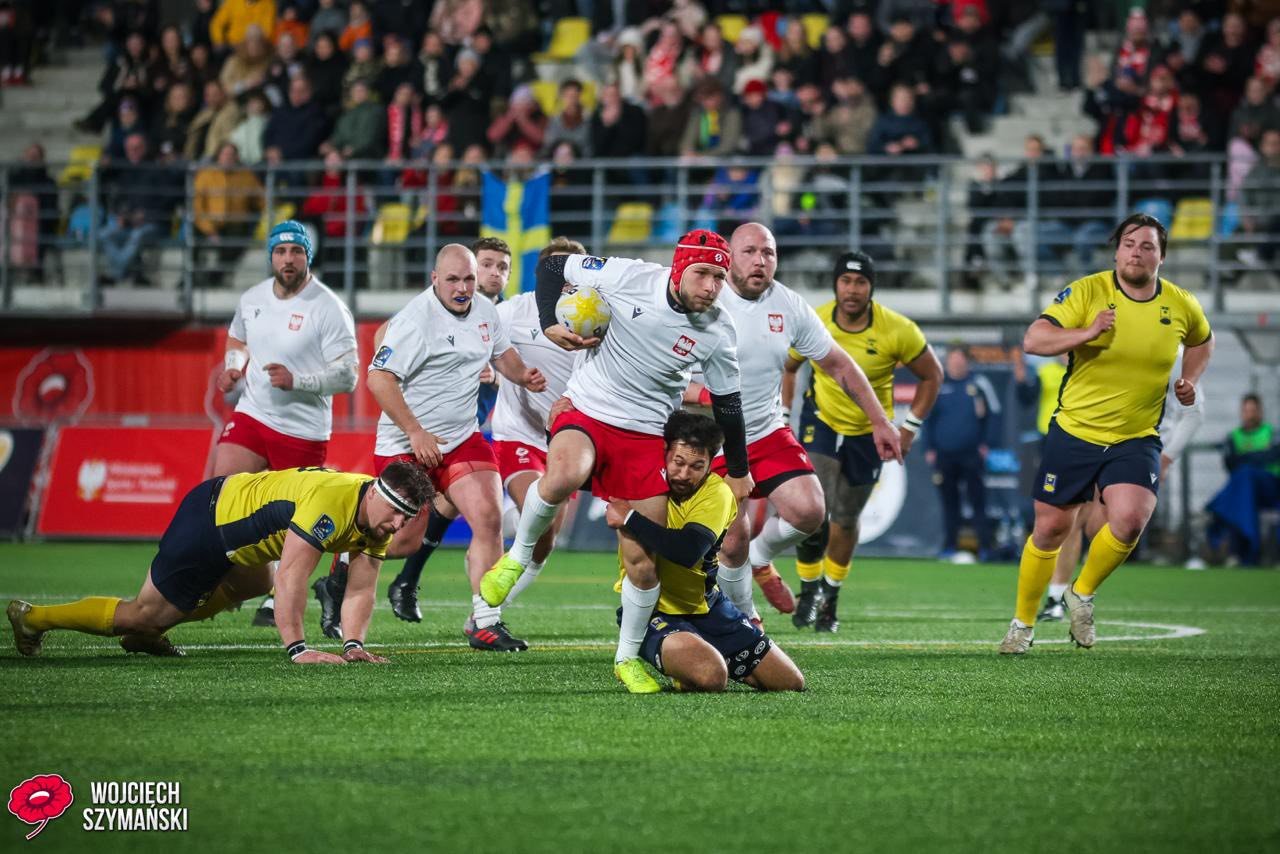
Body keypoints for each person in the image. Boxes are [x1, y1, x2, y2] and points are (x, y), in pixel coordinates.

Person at [479, 230, 753, 694]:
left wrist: (741, 470)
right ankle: (517, 558)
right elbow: (550, 268)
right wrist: (548, 323)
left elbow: (729, 404)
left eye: (720, 277)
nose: (711, 286)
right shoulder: (627, 276)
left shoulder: (719, 330)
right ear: (679, 268)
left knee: (643, 563)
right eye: (702, 273)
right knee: (565, 473)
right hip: (587, 409)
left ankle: (627, 658)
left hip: (646, 435)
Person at [1000, 213, 1214, 655]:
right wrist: (1088, 331)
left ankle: (1082, 592)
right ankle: (1022, 623)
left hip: (1136, 436)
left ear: (1162, 256)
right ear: (1116, 251)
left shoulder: (1181, 303)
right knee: (1051, 529)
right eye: (1129, 243)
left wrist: (1190, 380)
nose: (1137, 251)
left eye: (1147, 245)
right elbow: (1034, 340)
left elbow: (1203, 339)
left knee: (1132, 519)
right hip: (1075, 430)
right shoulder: (1086, 291)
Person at [7, 463, 430, 663]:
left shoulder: (376, 521)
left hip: (239, 527)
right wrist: (298, 649)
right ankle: (34, 618)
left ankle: (151, 633)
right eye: (395, 513)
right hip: (210, 522)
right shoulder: (330, 504)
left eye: (405, 518)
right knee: (140, 615)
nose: (397, 525)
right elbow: (292, 578)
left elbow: (359, 588)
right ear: (374, 492)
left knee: (250, 583)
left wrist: (354, 645)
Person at [694, 224, 900, 623]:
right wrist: (706, 396)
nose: (760, 261)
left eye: (768, 253)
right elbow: (668, 372)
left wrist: (880, 421)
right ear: (729, 257)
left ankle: (761, 556)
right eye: (750, 251)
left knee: (810, 512)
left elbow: (839, 363)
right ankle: (747, 619)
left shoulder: (788, 304)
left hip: (766, 430)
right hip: (712, 439)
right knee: (730, 542)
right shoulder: (705, 301)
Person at [363, 244, 546, 651]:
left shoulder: (484, 311)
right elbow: (378, 378)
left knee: (488, 517)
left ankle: (485, 621)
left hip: (461, 438)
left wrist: (523, 376)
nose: (462, 287)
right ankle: (342, 566)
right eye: (452, 279)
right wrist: (414, 432)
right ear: (434, 279)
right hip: (405, 444)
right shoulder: (414, 320)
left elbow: (503, 355)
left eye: (468, 279)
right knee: (402, 542)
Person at [786, 252, 942, 631]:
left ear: (872, 287)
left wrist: (909, 428)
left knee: (846, 517)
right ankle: (808, 588)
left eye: (860, 282)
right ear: (835, 284)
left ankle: (830, 596)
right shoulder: (815, 319)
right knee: (811, 513)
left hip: (868, 431)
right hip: (819, 422)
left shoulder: (897, 329)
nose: (852, 290)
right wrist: (783, 419)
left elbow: (932, 375)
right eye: (845, 281)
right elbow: (789, 367)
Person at [214, 221, 358, 627]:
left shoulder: (328, 307)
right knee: (219, 497)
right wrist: (233, 368)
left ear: (308, 256)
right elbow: (238, 340)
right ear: (271, 256)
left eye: (296, 251)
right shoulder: (253, 298)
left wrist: (300, 381)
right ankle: (228, 579)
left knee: (295, 520)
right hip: (253, 413)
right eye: (281, 252)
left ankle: (276, 591)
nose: (288, 259)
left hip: (302, 429)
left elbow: (349, 376)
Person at [604, 411, 805, 693]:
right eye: (678, 462)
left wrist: (629, 519)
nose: (684, 474)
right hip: (654, 612)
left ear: (711, 464)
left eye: (697, 466)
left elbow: (687, 550)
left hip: (709, 606)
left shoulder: (717, 493)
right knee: (712, 676)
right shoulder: (645, 481)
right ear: (665, 453)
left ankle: (689, 658)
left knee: (790, 683)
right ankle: (677, 657)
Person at [1039, 360, 1206, 619]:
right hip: (1098, 439)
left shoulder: (1174, 352)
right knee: (1070, 515)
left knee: (1103, 527)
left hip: (1141, 449)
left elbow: (1195, 412)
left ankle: (1081, 590)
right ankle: (1056, 597)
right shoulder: (1112, 342)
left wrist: (1167, 457)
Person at [924, 345, 1001, 562]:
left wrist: (986, 443)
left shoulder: (979, 383)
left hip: (971, 454)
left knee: (978, 502)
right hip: (944, 455)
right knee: (950, 503)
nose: (956, 364)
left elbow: (994, 415)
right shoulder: (939, 384)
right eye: (952, 361)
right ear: (947, 363)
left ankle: (984, 548)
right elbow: (928, 419)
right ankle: (949, 547)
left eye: (959, 360)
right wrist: (929, 448)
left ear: (967, 362)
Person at [1205, 394, 1280, 566]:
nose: (1250, 414)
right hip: (1246, 492)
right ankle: (1246, 552)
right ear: (1241, 412)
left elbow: (1273, 456)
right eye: (1246, 410)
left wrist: (1245, 458)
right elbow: (1230, 464)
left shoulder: (1272, 433)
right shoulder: (1234, 436)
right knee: (1243, 486)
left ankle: (1217, 512)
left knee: (1244, 475)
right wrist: (1259, 456)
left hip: (1271, 489)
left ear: (1260, 412)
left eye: (1253, 410)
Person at [192, 142, 264, 288]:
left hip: (235, 224)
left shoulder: (246, 176)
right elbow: (196, 207)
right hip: (207, 224)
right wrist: (210, 231)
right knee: (193, 238)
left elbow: (262, 200)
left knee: (236, 241)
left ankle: (214, 279)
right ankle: (190, 279)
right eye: (225, 154)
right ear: (218, 156)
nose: (228, 158)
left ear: (237, 157)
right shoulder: (205, 175)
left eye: (232, 155)